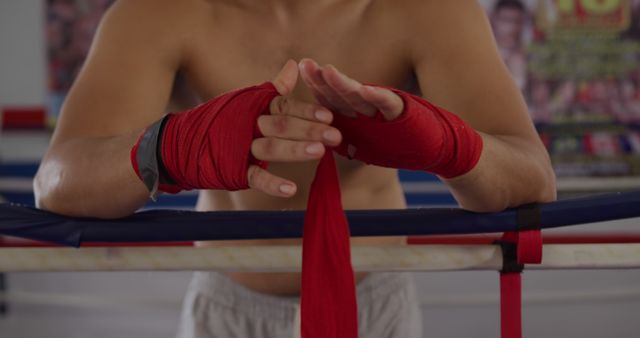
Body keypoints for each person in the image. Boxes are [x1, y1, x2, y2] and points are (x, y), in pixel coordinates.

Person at [33, 0, 556, 337]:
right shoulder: (161, 12)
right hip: (228, 307)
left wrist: (449, 145)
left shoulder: (427, 10)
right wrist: (172, 148)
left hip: (375, 304)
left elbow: (533, 177)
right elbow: (58, 182)